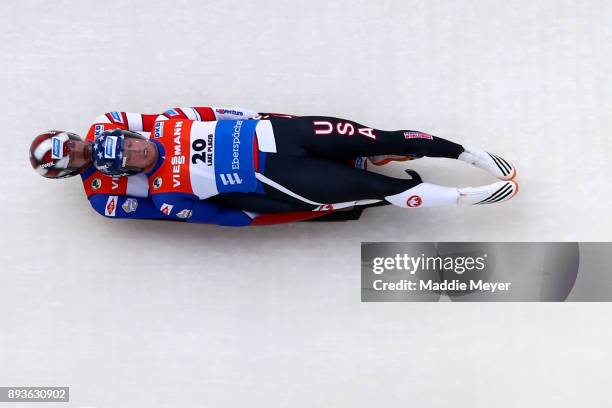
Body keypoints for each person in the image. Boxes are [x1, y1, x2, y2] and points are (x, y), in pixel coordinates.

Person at [90, 112, 518, 226]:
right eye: (127, 156)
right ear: (127, 171)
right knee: (376, 188)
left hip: (285, 135)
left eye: (129, 141)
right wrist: (285, 213)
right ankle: (464, 198)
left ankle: (465, 153)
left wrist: (284, 120)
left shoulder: (171, 121)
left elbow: (232, 112)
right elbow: (227, 217)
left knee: (379, 138)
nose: (135, 150)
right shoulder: (165, 194)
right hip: (279, 178)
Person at [28, 107, 399, 224]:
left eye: (73, 144)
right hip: (209, 187)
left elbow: (171, 119)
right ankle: (366, 197)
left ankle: (376, 152)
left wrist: (244, 117)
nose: (80, 151)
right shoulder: (102, 198)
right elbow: (164, 213)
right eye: (73, 157)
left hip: (211, 148)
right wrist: (233, 216)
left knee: (289, 142)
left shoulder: (108, 121)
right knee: (293, 196)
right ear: (69, 171)